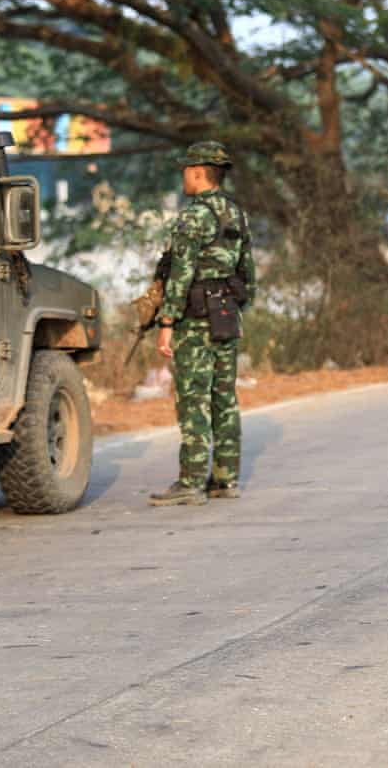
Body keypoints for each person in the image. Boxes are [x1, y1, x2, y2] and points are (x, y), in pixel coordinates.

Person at [148, 141, 256, 507]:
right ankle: (225, 480)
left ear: (197, 172)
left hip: (195, 319)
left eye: (185, 171)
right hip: (227, 316)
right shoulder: (237, 214)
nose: (184, 177)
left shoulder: (194, 216)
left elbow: (181, 273)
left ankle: (191, 482)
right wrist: (238, 307)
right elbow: (248, 274)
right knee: (224, 398)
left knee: (194, 399)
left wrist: (166, 320)